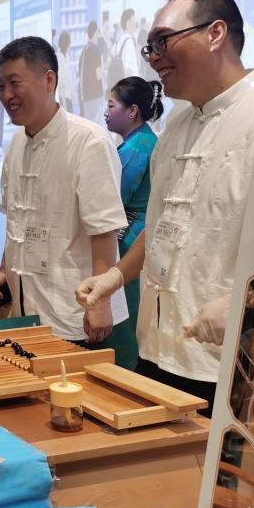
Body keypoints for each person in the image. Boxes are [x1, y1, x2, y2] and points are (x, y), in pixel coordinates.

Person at [75, 0, 254, 508]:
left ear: (216, 33)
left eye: (163, 41)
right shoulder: (176, 127)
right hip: (161, 351)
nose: (154, 57)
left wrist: (244, 301)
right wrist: (115, 276)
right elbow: (156, 231)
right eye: (149, 46)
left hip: (224, 365)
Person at [0, 36, 127, 344]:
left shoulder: (89, 141)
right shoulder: (15, 144)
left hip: (75, 313)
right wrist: (3, 272)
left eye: (14, 83)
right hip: (25, 311)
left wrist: (99, 300)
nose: (6, 95)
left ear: (49, 80)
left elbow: (104, 230)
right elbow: (14, 222)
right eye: (1, 86)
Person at [102, 76, 164, 369]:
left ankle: (124, 369)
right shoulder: (146, 140)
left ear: (132, 111)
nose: (105, 112)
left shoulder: (136, 148)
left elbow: (114, 199)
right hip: (137, 230)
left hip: (131, 237)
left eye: (111, 105)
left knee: (125, 313)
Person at [79, 21, 105, 125]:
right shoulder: (95, 50)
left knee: (88, 124)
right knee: (97, 125)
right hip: (96, 94)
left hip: (86, 94)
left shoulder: (84, 50)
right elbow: (98, 75)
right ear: (96, 32)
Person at [57, 32, 77, 114]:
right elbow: (60, 78)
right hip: (62, 96)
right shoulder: (58, 57)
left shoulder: (67, 56)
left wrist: (72, 92)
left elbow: (68, 76)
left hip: (68, 95)